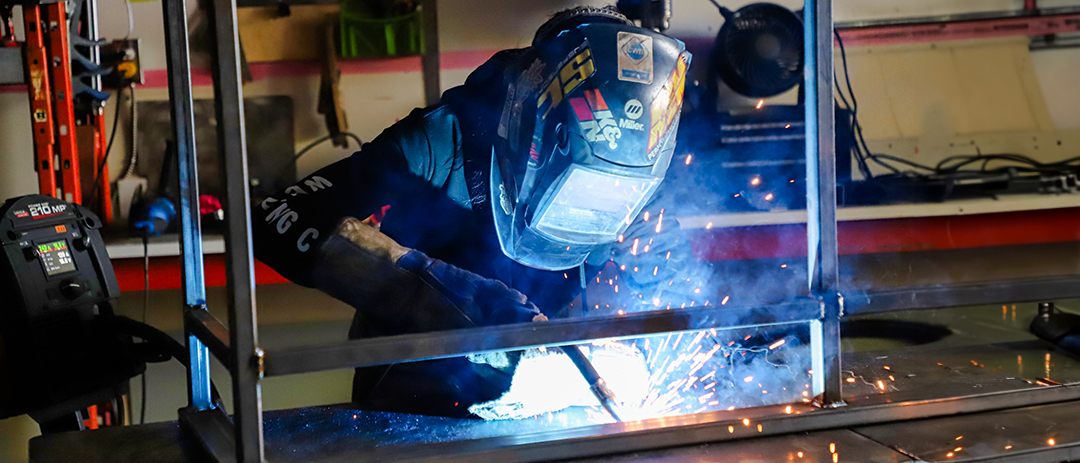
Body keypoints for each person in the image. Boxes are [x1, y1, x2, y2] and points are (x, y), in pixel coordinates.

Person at [252, 6, 692, 418]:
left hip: (557, 401)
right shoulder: (440, 140)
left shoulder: (634, 170)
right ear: (536, 127)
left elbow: (676, 291)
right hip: (413, 390)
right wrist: (458, 300)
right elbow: (277, 218)